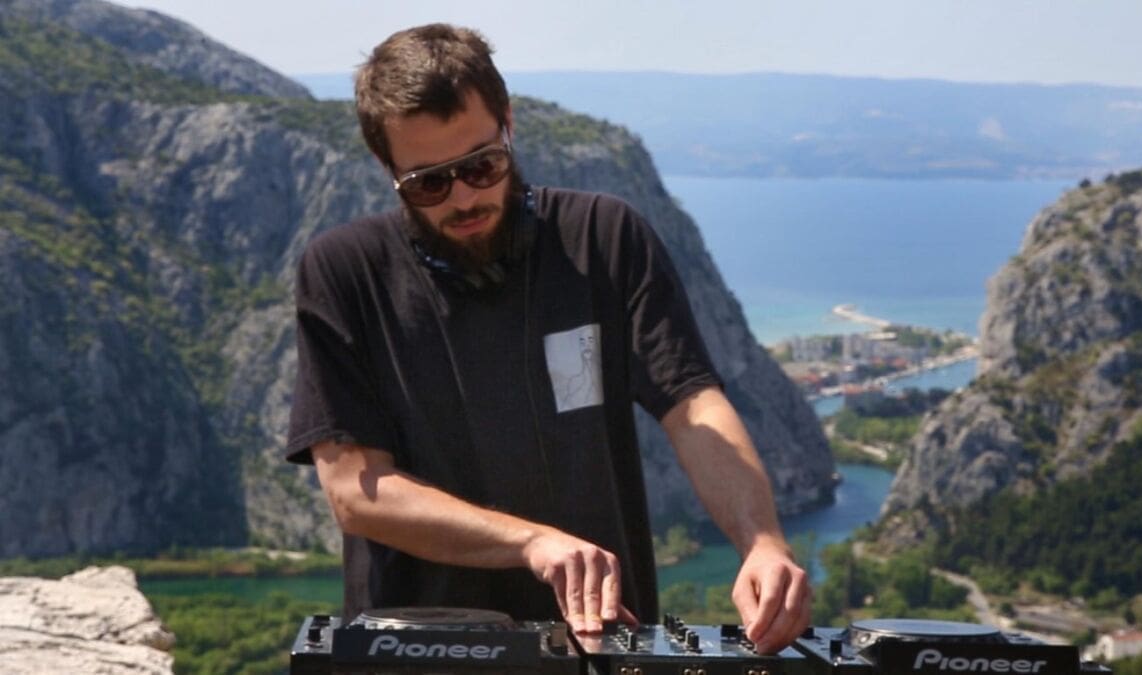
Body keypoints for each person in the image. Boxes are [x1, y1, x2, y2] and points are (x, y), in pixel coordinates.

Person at [285, 23, 810, 654]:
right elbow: (356, 491)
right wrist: (532, 542)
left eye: (482, 164)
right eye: (428, 182)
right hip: (415, 650)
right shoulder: (344, 273)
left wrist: (762, 542)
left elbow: (692, 406)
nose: (464, 197)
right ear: (386, 167)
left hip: (599, 641)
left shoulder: (604, 238)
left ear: (508, 125)